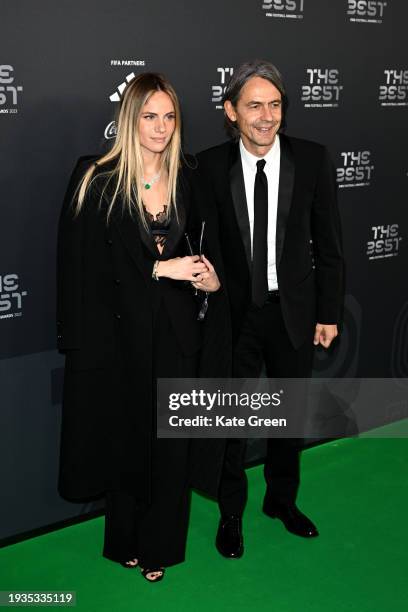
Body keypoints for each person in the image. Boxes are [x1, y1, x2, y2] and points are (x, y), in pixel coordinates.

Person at [56, 72, 229, 581]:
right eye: (150, 116)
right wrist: (158, 269)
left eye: (170, 116)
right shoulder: (97, 178)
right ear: (129, 119)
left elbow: (208, 252)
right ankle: (124, 541)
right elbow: (83, 270)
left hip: (177, 336)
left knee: (170, 447)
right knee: (126, 440)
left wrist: (211, 279)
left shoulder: (190, 177)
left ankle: (160, 549)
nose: (161, 127)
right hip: (118, 339)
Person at [196, 60, 344, 558]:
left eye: (275, 104)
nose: (266, 116)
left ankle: (281, 501)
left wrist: (328, 313)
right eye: (254, 105)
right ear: (231, 111)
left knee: (290, 415)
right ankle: (230, 512)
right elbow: (201, 243)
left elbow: (330, 245)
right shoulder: (209, 167)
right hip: (234, 315)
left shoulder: (313, 158)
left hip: (293, 310)